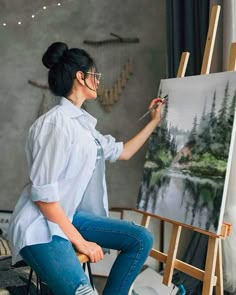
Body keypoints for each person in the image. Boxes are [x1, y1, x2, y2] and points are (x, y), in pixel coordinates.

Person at [8, 42, 163, 295]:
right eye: (95, 75)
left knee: (140, 238)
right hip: (40, 226)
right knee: (84, 292)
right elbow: (44, 198)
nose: (99, 81)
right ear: (81, 77)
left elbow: (122, 152)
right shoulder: (55, 124)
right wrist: (82, 242)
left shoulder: (84, 127)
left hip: (67, 216)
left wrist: (154, 122)